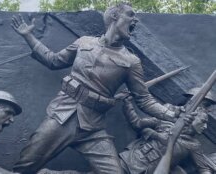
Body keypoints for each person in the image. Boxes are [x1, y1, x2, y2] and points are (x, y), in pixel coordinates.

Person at [11, 2, 189, 174]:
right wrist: (28, 35)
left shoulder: (131, 61)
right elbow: (53, 60)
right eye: (131, 14)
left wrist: (172, 115)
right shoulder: (84, 42)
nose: (136, 20)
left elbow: (144, 100)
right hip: (62, 116)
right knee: (25, 167)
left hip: (93, 128)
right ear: (114, 15)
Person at [119, 88, 216, 174]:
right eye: (203, 121)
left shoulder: (193, 145)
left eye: (206, 106)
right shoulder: (166, 118)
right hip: (131, 159)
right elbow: (138, 124)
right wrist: (128, 104)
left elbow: (203, 168)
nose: (205, 126)